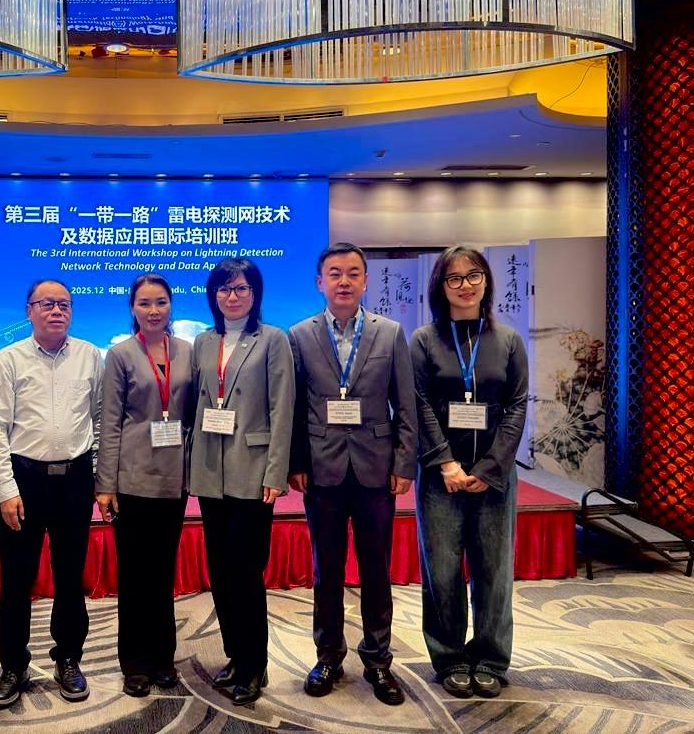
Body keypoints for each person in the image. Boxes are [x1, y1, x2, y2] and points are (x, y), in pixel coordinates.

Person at [287, 242, 417, 706]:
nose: (344, 281)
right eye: (335, 273)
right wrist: (296, 462)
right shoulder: (300, 335)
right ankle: (328, 656)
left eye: (353, 273)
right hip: (321, 469)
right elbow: (294, 406)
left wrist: (404, 463)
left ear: (365, 281)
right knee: (326, 570)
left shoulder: (390, 333)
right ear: (319, 282)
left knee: (376, 569)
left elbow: (406, 404)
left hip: (376, 469)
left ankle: (378, 661)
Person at [409, 245, 527, 700]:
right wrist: (446, 462)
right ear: (440, 286)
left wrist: (491, 467)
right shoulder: (424, 340)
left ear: (486, 281)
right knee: (441, 571)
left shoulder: (509, 341)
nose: (465, 285)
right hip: (440, 477)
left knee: (494, 571)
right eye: (454, 278)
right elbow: (418, 403)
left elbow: (517, 406)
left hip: (494, 478)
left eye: (473, 275)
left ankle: (491, 658)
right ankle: (449, 657)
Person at [0, 279, 104, 709]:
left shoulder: (90, 356)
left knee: (70, 577)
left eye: (64, 304)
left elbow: (100, 418)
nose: (57, 311)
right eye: (47, 304)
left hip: (74, 480)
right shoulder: (8, 359)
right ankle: (13, 666)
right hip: (25, 481)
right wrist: (6, 489)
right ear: (29, 310)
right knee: (17, 580)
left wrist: (96, 475)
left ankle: (68, 659)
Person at [188, 257, 295, 705]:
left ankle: (254, 665)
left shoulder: (272, 340)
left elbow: (282, 409)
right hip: (210, 473)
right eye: (224, 288)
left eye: (241, 288)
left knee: (246, 573)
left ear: (255, 294)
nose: (232, 296)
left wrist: (276, 472)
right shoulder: (202, 342)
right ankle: (235, 655)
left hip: (253, 472)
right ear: (213, 295)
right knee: (220, 571)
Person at [96, 274, 194, 698]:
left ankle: (163, 658)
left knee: (162, 572)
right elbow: (110, 422)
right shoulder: (120, 355)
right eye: (144, 303)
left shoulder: (189, 351)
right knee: (135, 574)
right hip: (132, 478)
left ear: (170, 305)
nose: (153, 310)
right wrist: (105, 485)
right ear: (132, 308)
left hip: (175, 478)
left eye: (160, 302)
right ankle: (134, 663)